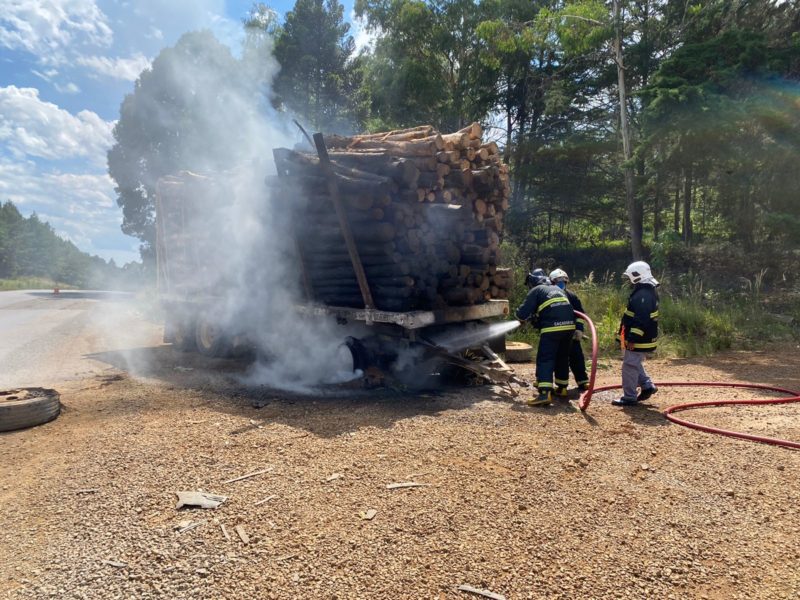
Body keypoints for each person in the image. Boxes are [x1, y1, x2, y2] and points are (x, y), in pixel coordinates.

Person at [515, 268, 576, 406]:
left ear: (533, 282)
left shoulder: (536, 290)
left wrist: (519, 316)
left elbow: (522, 313)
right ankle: (561, 388)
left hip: (552, 328)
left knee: (546, 358)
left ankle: (544, 394)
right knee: (562, 356)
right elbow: (553, 308)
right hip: (569, 327)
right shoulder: (556, 289)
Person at [612, 261, 660, 406]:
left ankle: (629, 397)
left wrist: (632, 338)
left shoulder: (643, 295)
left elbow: (641, 319)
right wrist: (622, 335)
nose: (628, 280)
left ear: (637, 276)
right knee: (633, 361)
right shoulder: (645, 291)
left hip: (640, 338)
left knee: (629, 365)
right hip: (641, 337)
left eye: (629, 277)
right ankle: (647, 385)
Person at [548, 268, 589, 395]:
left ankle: (582, 381)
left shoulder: (571, 296)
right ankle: (563, 386)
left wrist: (579, 330)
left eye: (563, 281)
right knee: (564, 359)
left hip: (570, 333)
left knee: (575, 357)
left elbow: (580, 315)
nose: (561, 284)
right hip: (561, 333)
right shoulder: (551, 295)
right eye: (558, 281)